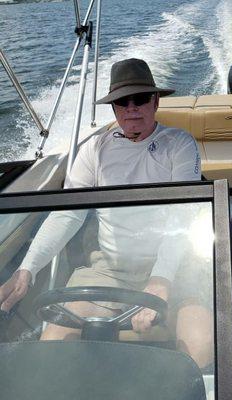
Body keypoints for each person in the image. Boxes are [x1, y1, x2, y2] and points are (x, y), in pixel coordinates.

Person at [0, 58, 212, 368]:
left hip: (176, 266)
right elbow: (67, 213)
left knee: (202, 347)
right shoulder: (95, 150)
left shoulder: (179, 145)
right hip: (108, 269)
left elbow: (183, 214)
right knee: (52, 347)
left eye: (139, 99)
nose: (131, 108)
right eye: (121, 102)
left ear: (155, 101)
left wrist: (161, 282)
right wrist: (27, 270)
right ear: (113, 109)